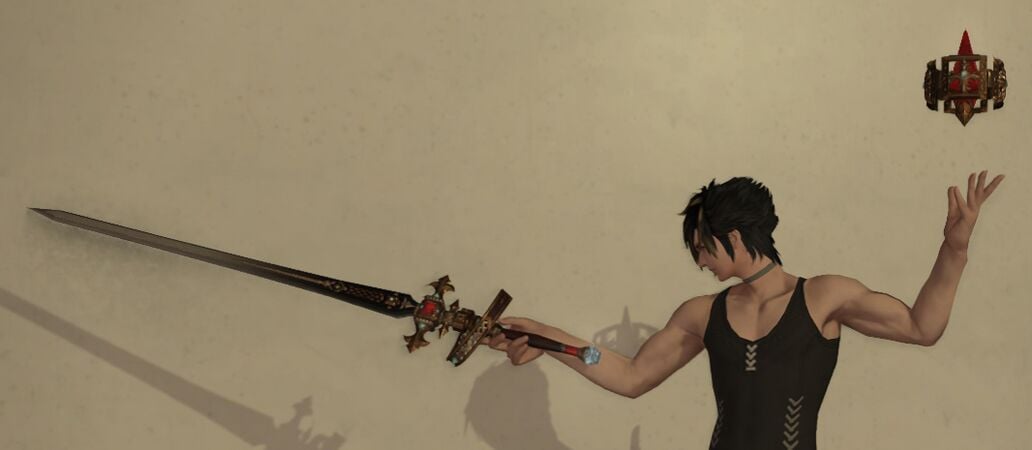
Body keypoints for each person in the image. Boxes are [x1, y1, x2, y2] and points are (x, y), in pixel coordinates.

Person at [484, 171, 1004, 450]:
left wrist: (954, 249)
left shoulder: (823, 297)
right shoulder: (700, 314)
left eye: (702, 248)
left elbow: (921, 326)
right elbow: (630, 375)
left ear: (733, 236)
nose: (699, 261)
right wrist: (550, 339)